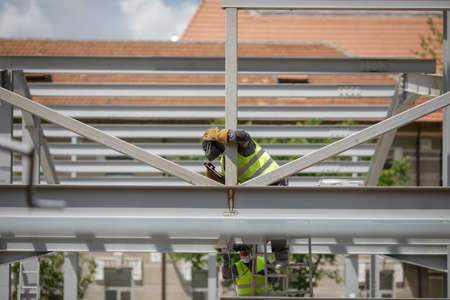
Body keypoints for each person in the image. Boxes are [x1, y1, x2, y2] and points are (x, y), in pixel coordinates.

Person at [201, 128, 287, 185]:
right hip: (259, 189)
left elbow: (244, 136)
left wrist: (229, 134)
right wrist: (216, 177)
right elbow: (228, 183)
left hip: (275, 179)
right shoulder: (225, 163)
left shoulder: (240, 146)